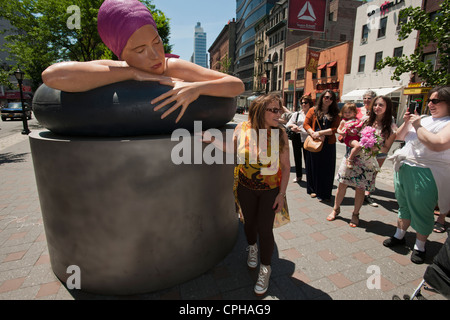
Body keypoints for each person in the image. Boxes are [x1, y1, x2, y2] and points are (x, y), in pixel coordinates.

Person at [41, 0, 244, 123]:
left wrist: (197, 88)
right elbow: (52, 76)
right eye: (140, 50)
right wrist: (131, 73)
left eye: (157, 42)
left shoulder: (170, 66)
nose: (155, 55)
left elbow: (236, 85)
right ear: (121, 54)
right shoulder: (115, 67)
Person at [230, 94, 290, 296]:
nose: (278, 113)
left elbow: (286, 166)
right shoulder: (242, 129)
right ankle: (252, 248)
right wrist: (211, 140)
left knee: (265, 229)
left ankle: (265, 268)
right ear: (259, 111)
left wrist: (281, 194)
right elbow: (232, 152)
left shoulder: (280, 134)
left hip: (269, 191)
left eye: (279, 109)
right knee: (249, 224)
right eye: (273, 109)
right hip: (245, 186)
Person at [383, 86, 450, 264]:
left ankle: (420, 246)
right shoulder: (425, 119)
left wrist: (418, 124)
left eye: (435, 101)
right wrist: (407, 122)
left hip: (427, 173)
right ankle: (399, 235)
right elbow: (400, 137)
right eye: (429, 100)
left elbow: (437, 144)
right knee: (403, 205)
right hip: (404, 168)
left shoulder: (448, 123)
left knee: (422, 211)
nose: (430, 104)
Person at [328, 96, 397, 227]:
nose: (377, 107)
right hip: (352, 157)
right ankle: (336, 209)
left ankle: (355, 214)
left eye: (381, 105)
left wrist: (375, 147)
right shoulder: (366, 120)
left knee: (360, 189)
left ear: (387, 107)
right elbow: (352, 133)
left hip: (368, 161)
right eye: (375, 104)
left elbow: (387, 148)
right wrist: (344, 133)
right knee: (342, 184)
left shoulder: (391, 127)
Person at [303, 89, 341, 201]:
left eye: (331, 98)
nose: (328, 100)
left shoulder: (335, 113)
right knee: (313, 166)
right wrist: (314, 134)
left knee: (327, 168)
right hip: (314, 142)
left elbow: (335, 128)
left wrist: (321, 133)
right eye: (326, 97)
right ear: (322, 98)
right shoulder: (313, 110)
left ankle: (324, 193)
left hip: (328, 144)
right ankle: (313, 189)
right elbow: (306, 124)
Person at [286, 95, 312, 183]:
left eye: (306, 102)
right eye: (302, 103)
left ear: (309, 103)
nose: (303, 104)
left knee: (307, 159)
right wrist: (293, 126)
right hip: (297, 137)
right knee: (297, 157)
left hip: (308, 138)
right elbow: (288, 124)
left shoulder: (312, 114)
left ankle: (310, 177)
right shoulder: (297, 114)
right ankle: (298, 176)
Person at [337, 103, 364, 169]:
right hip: (349, 138)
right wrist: (342, 132)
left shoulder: (357, 120)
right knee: (358, 146)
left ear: (354, 112)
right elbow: (338, 129)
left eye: (349, 112)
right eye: (345, 112)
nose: (347, 114)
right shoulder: (344, 121)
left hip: (356, 137)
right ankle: (350, 159)